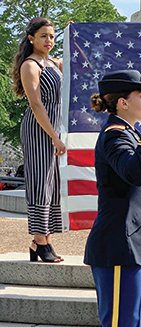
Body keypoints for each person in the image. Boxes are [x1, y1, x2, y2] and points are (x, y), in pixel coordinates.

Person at [84, 70, 141, 327]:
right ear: (123, 103)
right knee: (122, 323)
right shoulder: (115, 134)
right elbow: (134, 172)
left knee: (130, 321)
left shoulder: (127, 133)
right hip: (119, 245)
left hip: (129, 246)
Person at [11, 17, 66, 262]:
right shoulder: (30, 65)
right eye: (44, 36)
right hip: (39, 128)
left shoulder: (55, 63)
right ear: (31, 37)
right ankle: (39, 240)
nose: (49, 41)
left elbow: (84, 64)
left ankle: (44, 241)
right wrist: (54, 137)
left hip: (55, 128)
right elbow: (36, 104)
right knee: (40, 182)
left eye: (53, 36)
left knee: (53, 184)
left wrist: (72, 33)